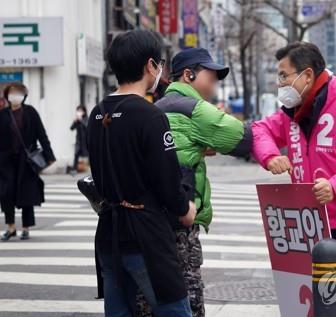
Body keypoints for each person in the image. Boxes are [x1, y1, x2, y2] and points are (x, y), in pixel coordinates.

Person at [251, 42, 336, 317]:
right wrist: (270, 157)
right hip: (313, 227)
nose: (279, 83)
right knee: (322, 308)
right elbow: (259, 130)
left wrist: (335, 186)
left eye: (284, 75)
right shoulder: (291, 114)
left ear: (306, 76)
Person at [86, 29, 196, 317]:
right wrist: (186, 208)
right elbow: (167, 180)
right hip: (146, 236)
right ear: (150, 66)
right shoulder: (150, 116)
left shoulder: (97, 113)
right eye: (159, 63)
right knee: (175, 311)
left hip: (109, 233)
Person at [154, 47, 252, 317]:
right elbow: (242, 139)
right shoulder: (193, 108)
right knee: (188, 291)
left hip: (153, 218)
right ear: (189, 75)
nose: (214, 85)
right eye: (211, 77)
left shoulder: (156, 107)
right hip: (183, 214)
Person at [0, 82, 56, 241]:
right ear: (7, 95)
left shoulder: (31, 112)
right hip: (5, 161)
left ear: (24, 95)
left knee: (26, 194)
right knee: (6, 193)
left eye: (18, 92)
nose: (15, 95)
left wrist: (49, 156)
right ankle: (10, 227)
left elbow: (41, 134)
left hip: (27, 161)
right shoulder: (3, 114)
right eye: (12, 92)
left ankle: (25, 228)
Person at [69, 105, 88, 175]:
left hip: (85, 140)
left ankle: (92, 169)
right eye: (78, 111)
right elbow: (71, 128)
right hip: (78, 141)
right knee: (76, 155)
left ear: (84, 112)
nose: (79, 112)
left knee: (88, 154)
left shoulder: (86, 118)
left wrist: (81, 120)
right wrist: (75, 121)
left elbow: (87, 126)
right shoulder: (77, 120)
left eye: (81, 111)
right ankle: (74, 171)